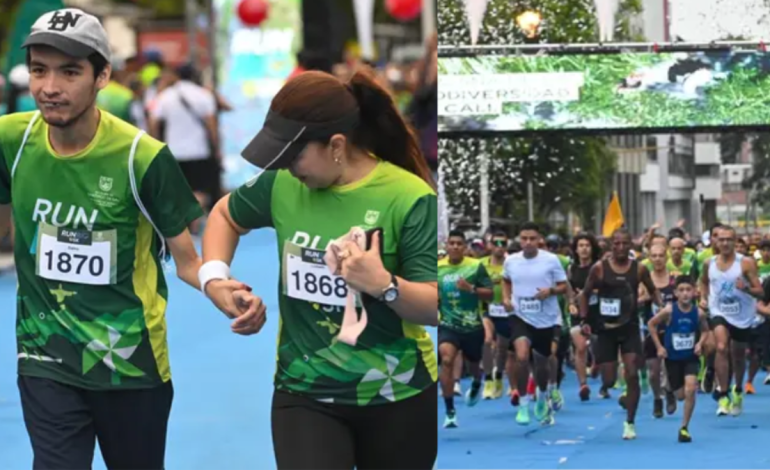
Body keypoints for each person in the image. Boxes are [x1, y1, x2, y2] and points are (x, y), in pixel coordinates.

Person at [0, 9, 228, 469]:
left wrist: (216, 285)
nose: (49, 87)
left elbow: (185, 259)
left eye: (69, 72)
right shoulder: (11, 141)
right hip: (45, 354)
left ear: (102, 75)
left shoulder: (142, 158)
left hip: (129, 363)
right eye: (40, 71)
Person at [198, 68, 437, 469]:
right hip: (305, 392)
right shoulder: (281, 185)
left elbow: (434, 305)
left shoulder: (409, 197)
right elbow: (224, 215)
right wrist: (215, 279)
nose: (288, 168)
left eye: (295, 156)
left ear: (337, 145)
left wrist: (383, 285)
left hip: (398, 395)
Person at [579, 228, 661, 440]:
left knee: (632, 372)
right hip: (605, 330)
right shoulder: (599, 269)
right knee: (608, 377)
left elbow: (653, 291)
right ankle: (621, 394)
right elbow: (585, 295)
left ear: (631, 246)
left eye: (625, 243)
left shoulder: (639, 269)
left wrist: (662, 310)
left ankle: (630, 422)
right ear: (610, 246)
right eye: (617, 244)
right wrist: (584, 320)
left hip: (630, 327)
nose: (621, 248)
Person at [503, 222, 568, 427]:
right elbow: (505, 280)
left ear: (539, 239)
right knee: (521, 356)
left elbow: (564, 286)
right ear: (519, 240)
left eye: (532, 239)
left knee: (542, 363)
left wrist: (550, 291)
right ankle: (523, 403)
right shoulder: (511, 261)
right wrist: (506, 299)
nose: (528, 243)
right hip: (520, 316)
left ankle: (542, 394)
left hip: (545, 319)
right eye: (524, 238)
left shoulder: (551, 260)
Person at [700, 225, 763, 416]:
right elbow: (704, 281)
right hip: (719, 311)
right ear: (715, 242)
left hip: (742, 315)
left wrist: (745, 288)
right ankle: (724, 393)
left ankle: (737, 389)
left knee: (738, 355)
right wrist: (703, 297)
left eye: (729, 239)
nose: (725, 243)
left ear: (735, 242)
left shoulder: (745, 263)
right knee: (721, 347)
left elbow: (760, 291)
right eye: (721, 239)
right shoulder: (708, 263)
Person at [439, 230, 493, 426]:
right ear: (446, 245)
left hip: (471, 326)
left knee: (473, 365)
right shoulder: (437, 268)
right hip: (447, 325)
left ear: (465, 247)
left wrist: (471, 289)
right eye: (451, 243)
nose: (454, 247)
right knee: (446, 359)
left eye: (459, 243)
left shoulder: (475, 267)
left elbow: (490, 295)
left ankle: (478, 382)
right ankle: (450, 411)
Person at [648, 275, 711, 443]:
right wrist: (659, 347)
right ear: (675, 293)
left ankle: (684, 427)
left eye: (688, 290)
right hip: (672, 358)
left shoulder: (698, 313)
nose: (685, 294)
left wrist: (700, 343)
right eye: (681, 290)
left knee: (691, 388)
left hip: (690, 357)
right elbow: (651, 325)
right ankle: (669, 390)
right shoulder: (669, 311)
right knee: (681, 395)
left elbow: (705, 331)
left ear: (694, 293)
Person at [567, 232, 601, 401]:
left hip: (598, 311)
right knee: (580, 347)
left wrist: (589, 293)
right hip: (579, 313)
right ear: (576, 249)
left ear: (592, 248)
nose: (584, 249)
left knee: (600, 347)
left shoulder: (600, 267)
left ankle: (597, 363)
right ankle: (583, 384)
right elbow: (569, 291)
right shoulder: (571, 269)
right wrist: (572, 303)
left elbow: (608, 288)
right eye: (581, 246)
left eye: (587, 245)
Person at [481, 231, 512, 400]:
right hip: (487, 309)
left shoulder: (511, 264)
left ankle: (498, 375)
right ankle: (487, 380)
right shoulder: (480, 264)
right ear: (490, 245)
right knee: (486, 341)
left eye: (503, 244)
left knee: (502, 348)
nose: (499, 247)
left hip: (506, 310)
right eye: (496, 243)